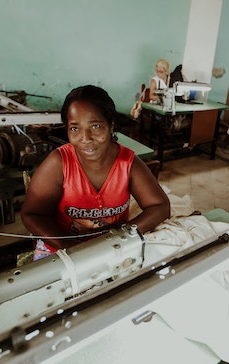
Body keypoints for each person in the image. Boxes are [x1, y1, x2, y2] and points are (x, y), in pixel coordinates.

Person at [21, 85, 171, 260]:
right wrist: (72, 248)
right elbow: (32, 215)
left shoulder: (127, 164)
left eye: (95, 126)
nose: (85, 138)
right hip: (62, 250)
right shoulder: (59, 163)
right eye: (75, 128)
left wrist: (122, 235)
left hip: (112, 247)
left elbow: (160, 206)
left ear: (111, 126)